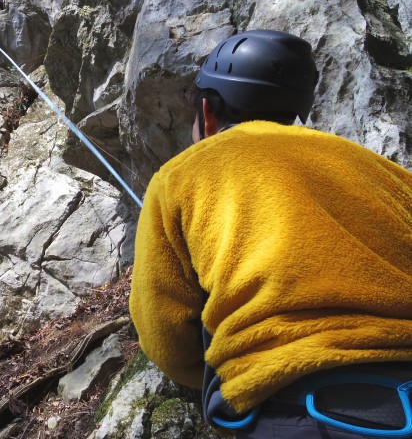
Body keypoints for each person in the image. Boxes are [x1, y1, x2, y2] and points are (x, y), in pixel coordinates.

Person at [129, 29, 412, 437]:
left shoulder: (181, 175)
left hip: (308, 410)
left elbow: (163, 337)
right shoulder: (385, 171)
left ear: (207, 112)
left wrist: (224, 368)